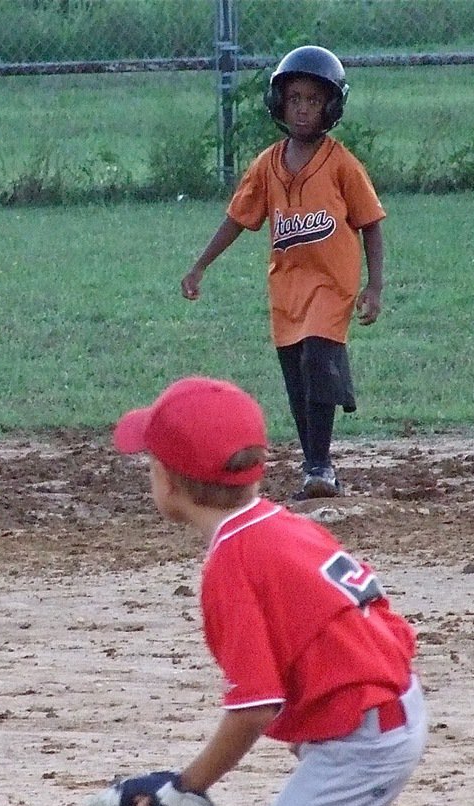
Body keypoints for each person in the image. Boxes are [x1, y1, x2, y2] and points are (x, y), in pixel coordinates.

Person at [84, 375, 437, 806]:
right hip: (384, 710)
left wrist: (186, 785)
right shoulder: (281, 524)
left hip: (361, 741)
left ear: (170, 482)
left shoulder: (233, 564)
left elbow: (254, 709)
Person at [180, 46, 385, 500]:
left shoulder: (341, 163)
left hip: (332, 286)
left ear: (331, 106)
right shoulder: (267, 165)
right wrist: (200, 265)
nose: (303, 108)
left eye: (314, 99)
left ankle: (320, 467)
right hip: (287, 289)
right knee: (297, 378)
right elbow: (238, 218)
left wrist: (375, 285)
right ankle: (315, 463)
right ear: (278, 103)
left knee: (317, 362)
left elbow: (370, 222)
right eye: (294, 98)